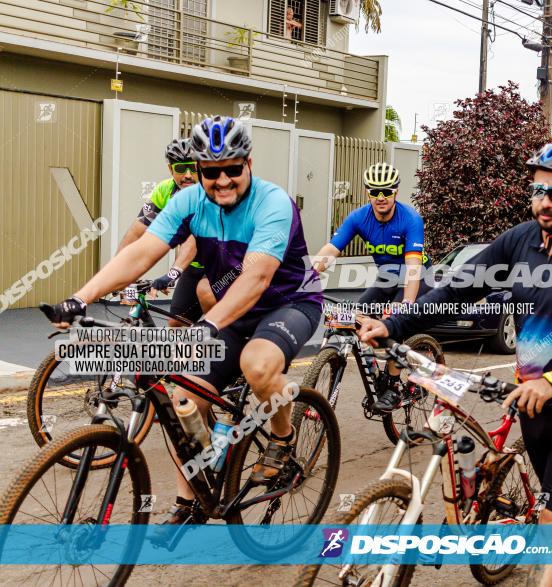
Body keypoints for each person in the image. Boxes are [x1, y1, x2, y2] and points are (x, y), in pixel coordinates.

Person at [358, 141, 552, 587]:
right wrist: (392, 324)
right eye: (537, 190)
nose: (544, 202)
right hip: (530, 404)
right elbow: (455, 290)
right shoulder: (518, 241)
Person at [42, 116, 323, 530]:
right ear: (199, 171)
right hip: (232, 307)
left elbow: (256, 278)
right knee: (182, 399)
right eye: (211, 171)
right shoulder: (189, 202)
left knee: (258, 366)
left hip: (289, 303)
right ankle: (190, 499)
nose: (222, 180)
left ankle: (282, 438)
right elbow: (140, 254)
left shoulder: (274, 202)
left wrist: (207, 326)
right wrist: (80, 298)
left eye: (232, 168)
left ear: (249, 163)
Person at [311, 161, 431, 410]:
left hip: (417, 278)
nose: (381, 197)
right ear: (368, 193)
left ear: (395, 192)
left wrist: (406, 305)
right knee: (353, 317)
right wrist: (304, 278)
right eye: (375, 192)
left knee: (395, 324)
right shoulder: (359, 217)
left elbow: (413, 268)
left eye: (386, 191)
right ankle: (372, 369)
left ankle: (395, 385)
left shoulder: (410, 219)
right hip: (387, 278)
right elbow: (330, 251)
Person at [117, 138, 207, 326]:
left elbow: (193, 239)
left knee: (216, 318)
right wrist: (117, 270)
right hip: (193, 268)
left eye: (193, 167)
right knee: (176, 326)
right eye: (181, 169)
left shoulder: (208, 192)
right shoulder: (164, 190)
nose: (188, 175)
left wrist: (173, 273)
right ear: (170, 170)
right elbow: (135, 232)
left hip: (222, 268)